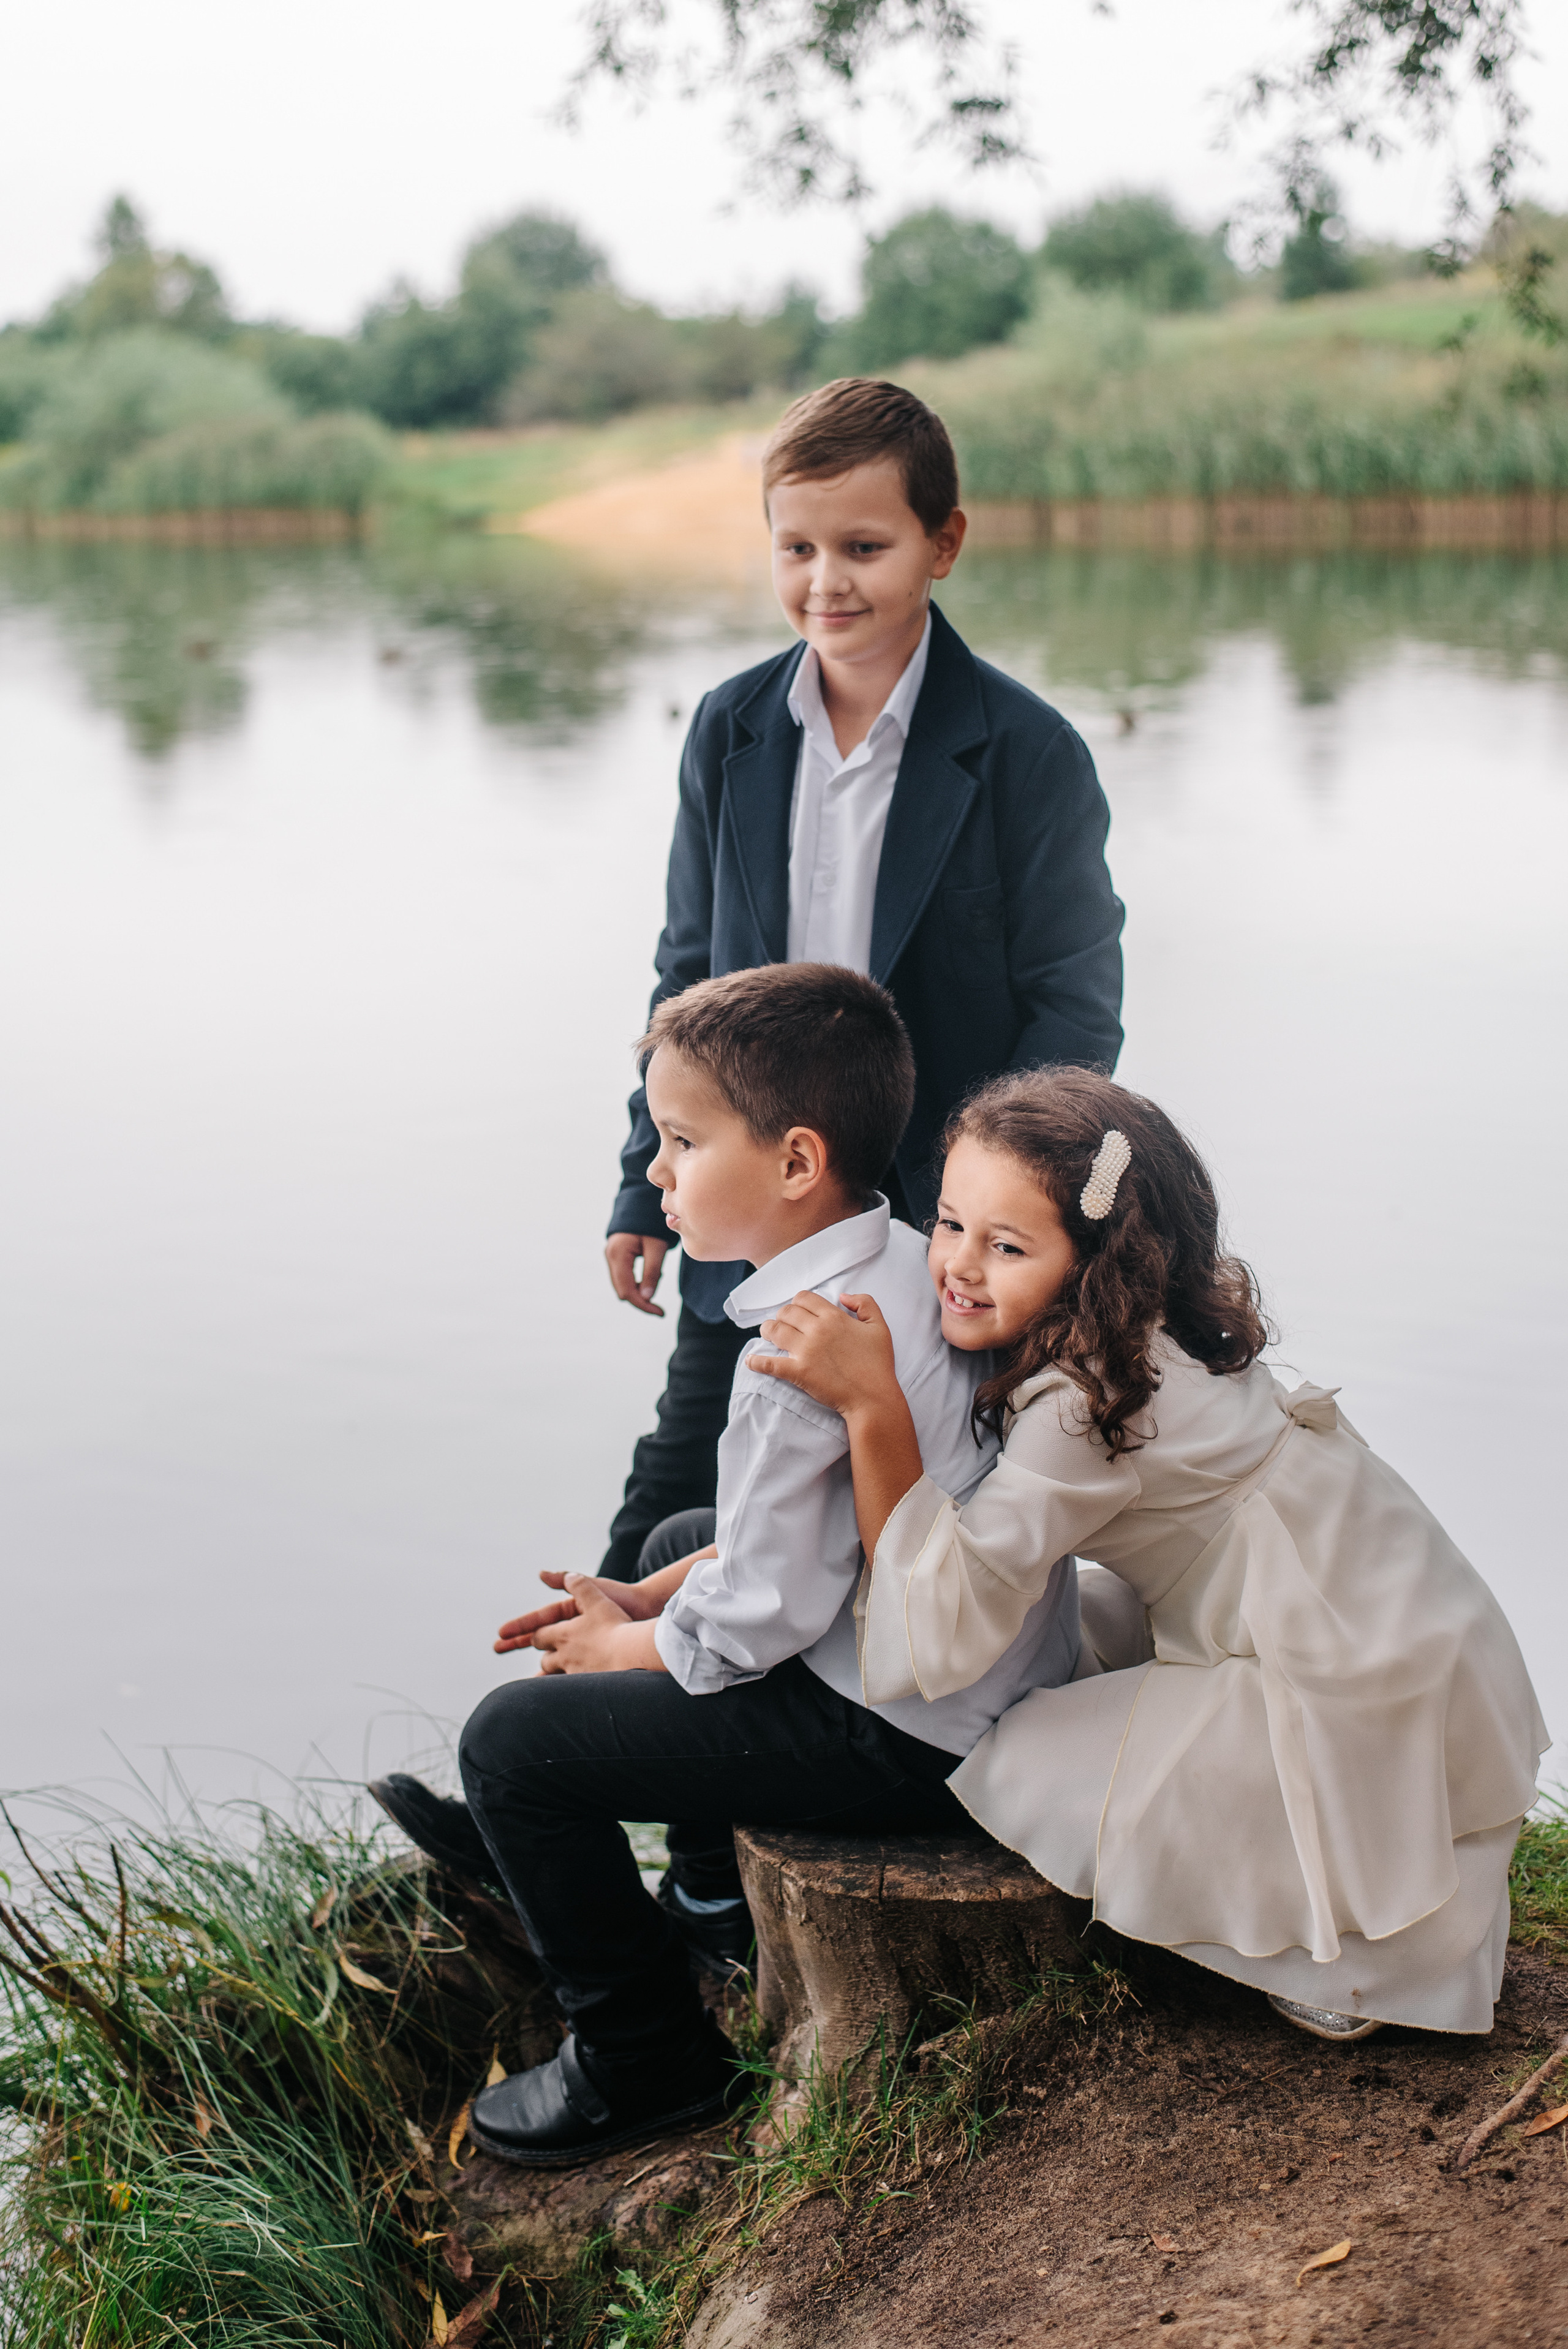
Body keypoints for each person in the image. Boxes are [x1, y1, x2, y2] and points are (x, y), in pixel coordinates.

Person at [373, 965, 1085, 2166]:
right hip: (972, 1661)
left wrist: (618, 1645)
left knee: (509, 1749)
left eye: (682, 1141)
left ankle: (641, 2056)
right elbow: (803, 1543)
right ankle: (712, 1901)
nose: (656, 1173)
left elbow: (757, 1621)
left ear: (796, 1162)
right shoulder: (903, 1260)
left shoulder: (793, 1367)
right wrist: (657, 1595)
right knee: (671, 1543)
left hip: (911, 1733)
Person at [750, 1065, 1548, 2043]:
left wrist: (873, 1405)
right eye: (949, 1223)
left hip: (1346, 1671)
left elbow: (941, 1631)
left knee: (1021, 1755)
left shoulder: (1086, 1403)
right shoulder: (1148, 1331)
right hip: (1382, 1614)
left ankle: (1339, 1953)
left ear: (1096, 1264)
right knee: (1071, 1628)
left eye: (1007, 1245)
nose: (958, 1265)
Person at [598, 375, 1124, 1577]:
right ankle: (581, 1696)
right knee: (677, 1486)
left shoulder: (1029, 753)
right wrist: (643, 1175)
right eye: (796, 549)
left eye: (863, 547)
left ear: (943, 543)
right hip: (753, 1197)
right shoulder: (729, 729)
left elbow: (1073, 1013)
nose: (825, 582)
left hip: (936, 1224)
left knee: (895, 1526)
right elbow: (688, 975)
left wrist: (984, 1222)